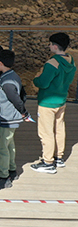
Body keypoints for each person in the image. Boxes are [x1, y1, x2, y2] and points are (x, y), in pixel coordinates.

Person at [31, 33, 75, 173]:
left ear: (55, 46)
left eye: (50, 44)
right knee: (59, 128)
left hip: (47, 102)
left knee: (46, 132)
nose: (49, 46)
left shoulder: (52, 63)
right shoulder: (70, 60)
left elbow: (43, 83)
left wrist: (36, 78)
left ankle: (48, 162)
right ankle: (59, 157)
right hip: (61, 100)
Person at [0, 49, 28, 189]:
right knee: (9, 145)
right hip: (10, 118)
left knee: (2, 148)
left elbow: (16, 99)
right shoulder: (12, 75)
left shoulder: (7, 82)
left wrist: (24, 112)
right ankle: (12, 170)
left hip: (7, 118)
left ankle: (3, 176)